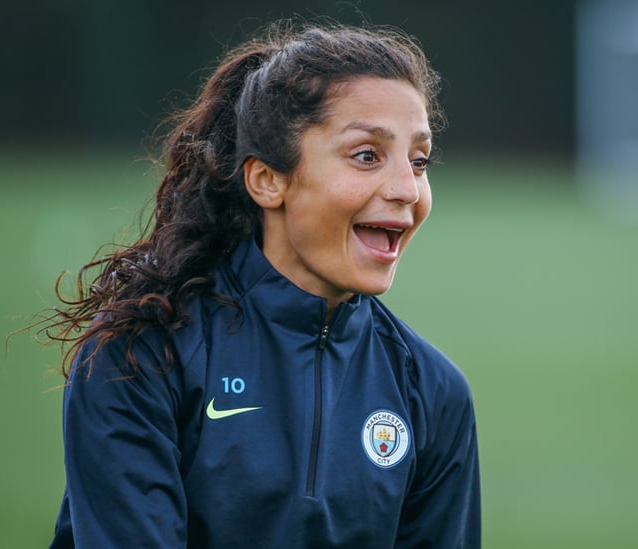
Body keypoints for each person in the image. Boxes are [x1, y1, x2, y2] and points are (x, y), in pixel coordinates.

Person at [42, 21, 480, 548]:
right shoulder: (141, 355)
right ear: (267, 180)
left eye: (419, 161)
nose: (407, 189)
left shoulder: (432, 391)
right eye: (367, 155)